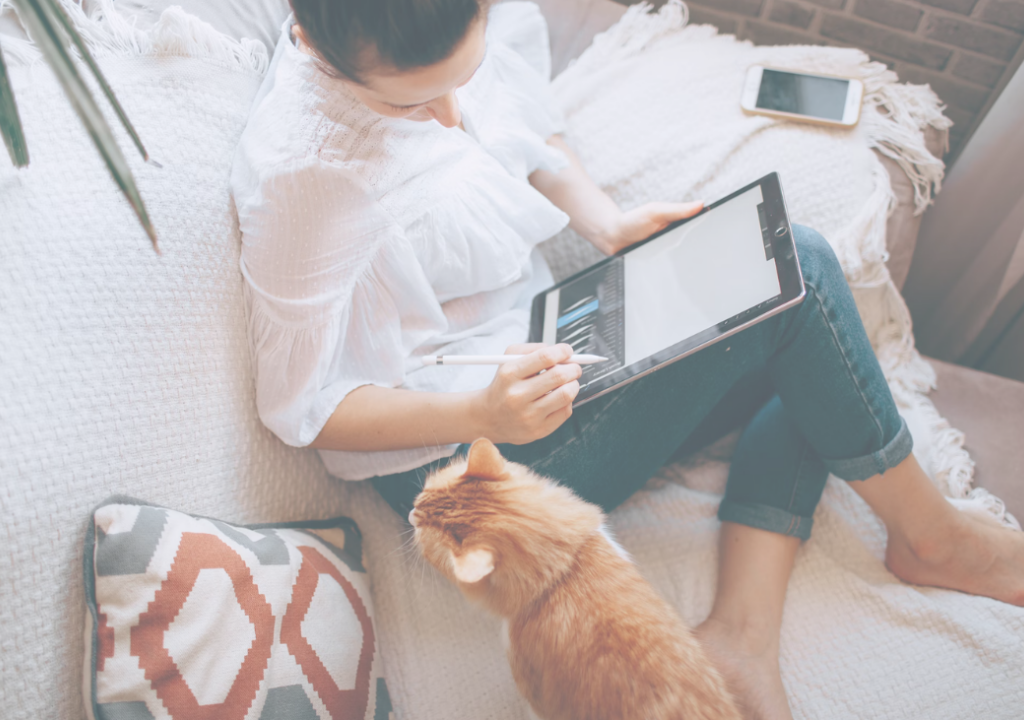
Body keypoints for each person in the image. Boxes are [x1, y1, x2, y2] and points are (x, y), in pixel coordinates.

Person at [230, 1, 1024, 717]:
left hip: (543, 347)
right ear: (315, 43)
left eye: (460, 80)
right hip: (467, 459)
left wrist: (607, 223)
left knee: (806, 336)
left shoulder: (442, 30)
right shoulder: (307, 178)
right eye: (410, 103)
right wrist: (481, 413)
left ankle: (741, 635)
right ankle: (935, 539)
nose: (450, 117)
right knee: (805, 275)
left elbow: (523, 124)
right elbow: (304, 408)